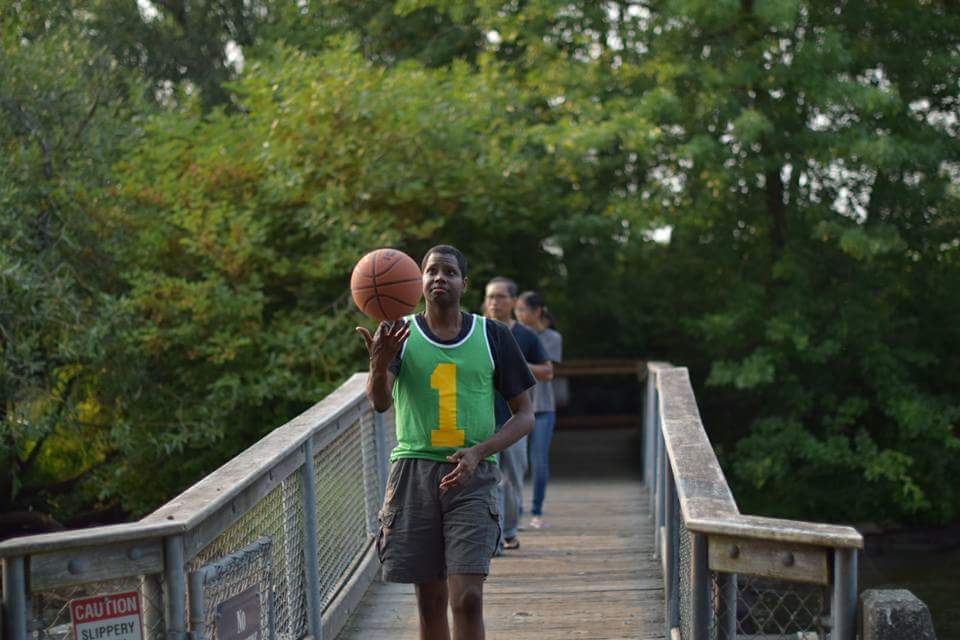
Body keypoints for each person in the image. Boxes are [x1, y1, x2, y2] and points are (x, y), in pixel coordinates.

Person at [356, 245, 535, 640]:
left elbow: (525, 415)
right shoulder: (399, 333)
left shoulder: (493, 335)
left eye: (449, 272)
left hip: (473, 475)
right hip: (414, 473)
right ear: (419, 281)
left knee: (468, 599)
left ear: (464, 284)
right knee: (430, 601)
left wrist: (479, 452)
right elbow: (379, 402)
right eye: (432, 271)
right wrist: (378, 364)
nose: (440, 278)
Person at [483, 277, 553, 550]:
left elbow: (548, 372)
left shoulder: (526, 336)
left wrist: (518, 363)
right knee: (489, 480)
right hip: (482, 418)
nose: (494, 302)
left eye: (500, 297)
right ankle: (496, 537)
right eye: (490, 296)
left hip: (515, 418)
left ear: (513, 301)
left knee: (512, 479)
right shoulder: (476, 332)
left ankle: (510, 531)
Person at [515, 290, 563, 530]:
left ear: (537, 312)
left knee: (539, 461)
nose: (518, 314)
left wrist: (517, 362)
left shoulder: (552, 337)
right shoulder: (513, 333)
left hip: (543, 407)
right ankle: (515, 513)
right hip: (516, 407)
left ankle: (536, 512)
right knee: (516, 462)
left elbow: (546, 373)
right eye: (517, 310)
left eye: (523, 310)